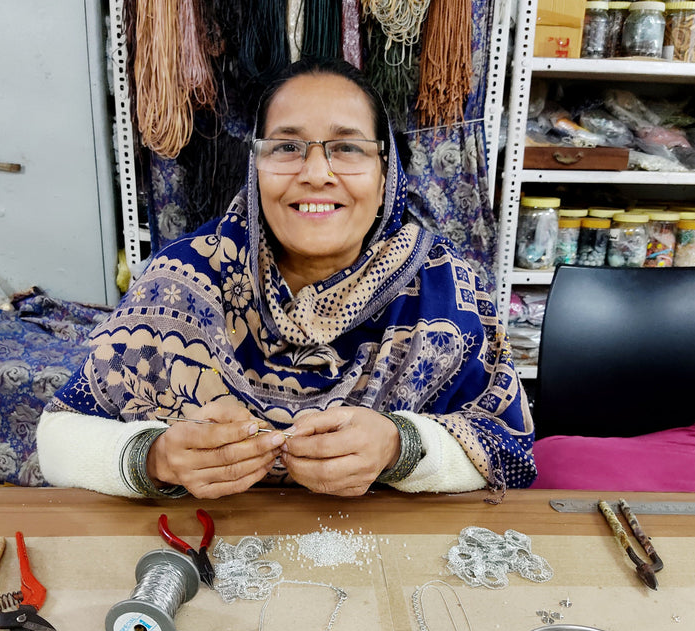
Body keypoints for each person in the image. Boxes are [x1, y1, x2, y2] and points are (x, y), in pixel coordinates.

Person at [37, 58, 536, 500]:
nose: (317, 172)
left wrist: (400, 446)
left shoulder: (443, 290)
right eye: (287, 147)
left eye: (347, 148)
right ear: (256, 167)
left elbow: (511, 452)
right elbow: (56, 439)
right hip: (206, 552)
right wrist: (155, 458)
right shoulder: (184, 278)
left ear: (387, 175)